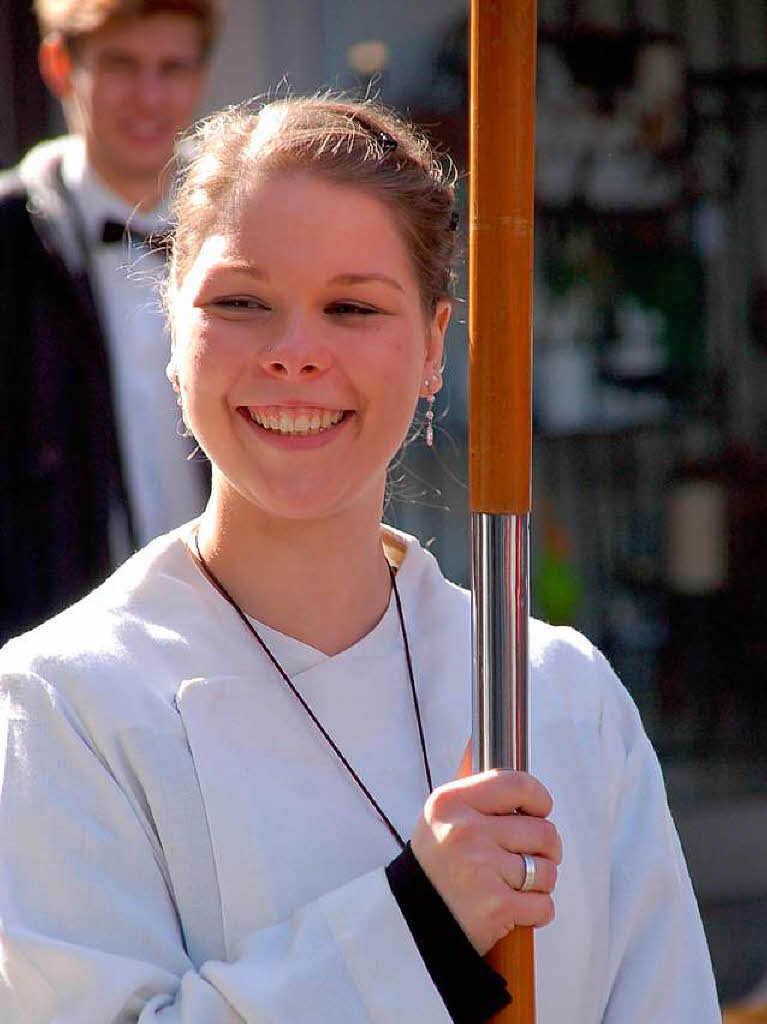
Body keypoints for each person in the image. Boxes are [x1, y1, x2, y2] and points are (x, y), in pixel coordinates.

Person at [0, 95, 720, 1023]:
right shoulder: (63, 706)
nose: (295, 354)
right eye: (241, 302)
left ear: (432, 344)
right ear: (172, 331)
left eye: (351, 307)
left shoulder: (559, 698)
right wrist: (418, 921)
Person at [0, 0, 221, 643]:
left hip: (222, 635)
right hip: (52, 644)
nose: (149, 98)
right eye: (122, 65)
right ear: (59, 64)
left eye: (173, 68)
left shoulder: (245, 239)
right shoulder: (11, 239)